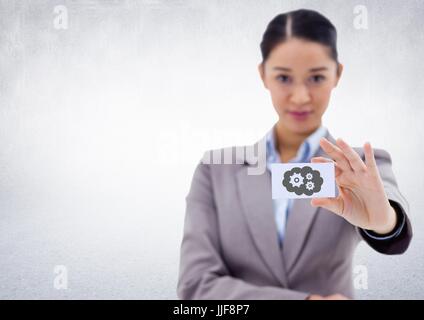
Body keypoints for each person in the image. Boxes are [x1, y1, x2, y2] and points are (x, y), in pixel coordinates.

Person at [177, 9, 412, 300]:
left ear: (337, 74)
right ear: (263, 74)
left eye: (316, 77)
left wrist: (385, 222)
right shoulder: (215, 171)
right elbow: (195, 287)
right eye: (284, 78)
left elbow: (391, 214)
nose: (300, 96)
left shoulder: (360, 166)